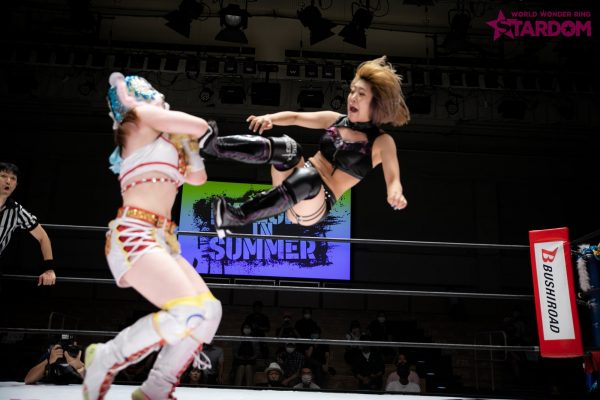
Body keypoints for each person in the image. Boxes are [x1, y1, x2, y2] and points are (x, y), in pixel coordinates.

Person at [82, 73, 222, 400]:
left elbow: (198, 178)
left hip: (164, 239)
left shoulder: (164, 140)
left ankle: (155, 389)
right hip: (135, 232)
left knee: (208, 311)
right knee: (187, 311)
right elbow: (200, 125)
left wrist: (188, 147)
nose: (162, 98)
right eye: (155, 93)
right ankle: (107, 356)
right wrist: (187, 135)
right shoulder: (140, 120)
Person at [200, 56, 410, 237]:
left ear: (376, 103)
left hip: (314, 204)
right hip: (293, 181)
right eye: (352, 91)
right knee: (290, 147)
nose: (352, 97)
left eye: (361, 94)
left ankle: (235, 218)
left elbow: (393, 179)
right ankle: (213, 147)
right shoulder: (335, 120)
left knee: (309, 177)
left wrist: (395, 193)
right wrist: (270, 118)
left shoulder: (382, 141)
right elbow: (296, 117)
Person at [0, 162, 56, 286]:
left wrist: (49, 269)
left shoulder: (16, 211)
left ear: (16, 185)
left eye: (13, 178)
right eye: (3, 176)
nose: (8, 181)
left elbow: (43, 237)